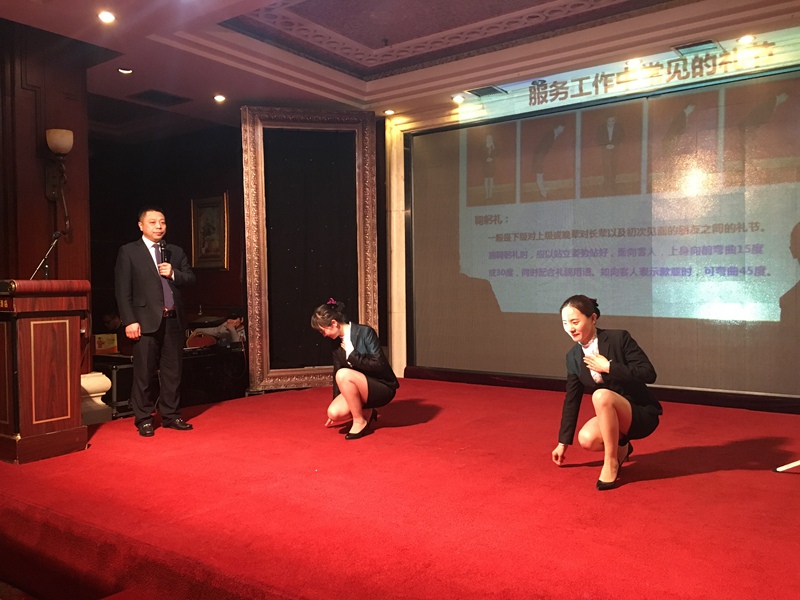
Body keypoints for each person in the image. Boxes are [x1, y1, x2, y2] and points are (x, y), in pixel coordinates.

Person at [552, 295, 662, 490]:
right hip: (611, 416)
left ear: (593, 318)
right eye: (565, 323)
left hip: (639, 412)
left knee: (600, 395)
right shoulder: (573, 357)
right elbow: (572, 400)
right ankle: (622, 446)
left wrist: (609, 367)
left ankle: (611, 462)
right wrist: (563, 443)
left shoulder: (619, 338)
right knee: (586, 439)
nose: (570, 328)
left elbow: (648, 373)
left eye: (575, 322)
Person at [115, 206, 196, 437]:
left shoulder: (175, 251)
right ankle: (144, 418)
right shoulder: (129, 251)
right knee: (144, 372)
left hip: (173, 320)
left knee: (173, 372)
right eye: (153, 222)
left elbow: (190, 278)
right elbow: (122, 290)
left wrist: (174, 274)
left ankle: (171, 415)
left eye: (162, 222)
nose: (159, 226)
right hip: (144, 321)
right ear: (141, 226)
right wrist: (130, 321)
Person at [310, 298, 399, 440]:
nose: (324, 335)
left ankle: (359, 421)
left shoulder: (365, 332)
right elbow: (337, 374)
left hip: (382, 386)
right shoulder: (336, 343)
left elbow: (379, 364)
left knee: (343, 374)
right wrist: (336, 400)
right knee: (334, 413)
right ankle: (367, 410)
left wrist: (353, 356)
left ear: (334, 323)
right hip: (359, 387)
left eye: (323, 330)